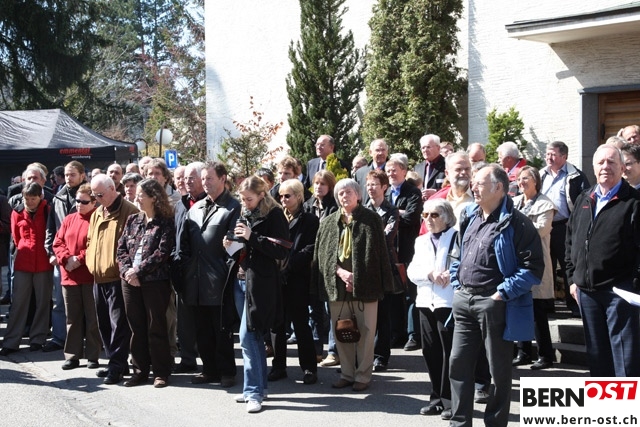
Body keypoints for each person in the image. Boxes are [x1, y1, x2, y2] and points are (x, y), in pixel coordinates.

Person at [448, 164, 543, 427]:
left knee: (498, 371)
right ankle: (459, 423)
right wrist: (457, 282)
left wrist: (502, 293)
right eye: (473, 183)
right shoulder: (469, 215)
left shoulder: (518, 223)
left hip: (494, 304)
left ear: (498, 187)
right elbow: (457, 254)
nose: (473, 188)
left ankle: (495, 423)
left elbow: (533, 269)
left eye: (480, 183)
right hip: (464, 300)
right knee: (458, 364)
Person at [311, 178, 393, 392]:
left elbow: (378, 256)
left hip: (366, 286)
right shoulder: (328, 222)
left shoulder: (371, 219)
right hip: (337, 286)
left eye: (349, 192)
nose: (344, 196)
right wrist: (340, 273)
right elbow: (322, 256)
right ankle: (347, 374)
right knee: (342, 331)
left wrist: (357, 279)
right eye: (340, 193)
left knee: (366, 331)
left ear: (358, 195)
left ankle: (363, 375)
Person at [565, 144, 640, 377]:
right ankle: (605, 402)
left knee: (625, 363)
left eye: (611, 162)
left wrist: (633, 285)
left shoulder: (634, 202)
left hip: (620, 293)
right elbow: (571, 241)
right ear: (593, 167)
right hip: (587, 293)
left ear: (622, 168)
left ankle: (628, 402)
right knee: (598, 361)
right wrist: (572, 279)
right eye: (601, 162)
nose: (605, 166)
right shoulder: (584, 198)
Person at [224, 176, 289, 413]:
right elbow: (245, 248)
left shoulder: (274, 215)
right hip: (241, 280)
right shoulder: (245, 213)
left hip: (261, 283)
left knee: (247, 337)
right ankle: (258, 388)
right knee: (254, 338)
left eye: (249, 199)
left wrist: (252, 236)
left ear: (262, 195)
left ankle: (253, 392)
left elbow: (281, 250)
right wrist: (231, 245)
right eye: (242, 199)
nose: (245, 203)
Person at [179, 161, 239, 387]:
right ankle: (209, 370)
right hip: (195, 279)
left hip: (219, 280)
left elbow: (235, 244)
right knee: (202, 329)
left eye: (209, 178)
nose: (205, 182)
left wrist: (225, 270)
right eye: (203, 178)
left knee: (221, 329)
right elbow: (185, 242)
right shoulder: (195, 208)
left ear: (223, 179)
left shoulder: (233, 207)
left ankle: (227, 372)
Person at [117, 179, 175, 388]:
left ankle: (161, 372)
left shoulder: (165, 221)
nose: (137, 197)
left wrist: (138, 271)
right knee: (136, 327)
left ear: (154, 197)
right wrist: (127, 271)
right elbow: (121, 249)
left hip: (154, 282)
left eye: (141, 194)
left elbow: (162, 252)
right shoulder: (133, 219)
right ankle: (140, 371)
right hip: (130, 281)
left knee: (155, 326)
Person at [86, 174, 139, 384]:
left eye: (100, 194)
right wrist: (90, 261)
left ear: (112, 189)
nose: (97, 199)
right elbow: (90, 241)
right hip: (98, 277)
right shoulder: (97, 212)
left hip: (118, 277)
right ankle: (115, 362)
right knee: (104, 324)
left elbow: (134, 246)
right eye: (94, 195)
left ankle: (116, 366)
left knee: (119, 325)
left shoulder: (129, 211)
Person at [408, 199, 459, 420]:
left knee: (449, 352)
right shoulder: (420, 241)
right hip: (425, 302)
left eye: (434, 215)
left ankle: (450, 401)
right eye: (425, 215)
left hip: (447, 302)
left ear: (446, 217)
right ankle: (436, 398)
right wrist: (429, 275)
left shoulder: (457, 236)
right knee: (430, 351)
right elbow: (412, 271)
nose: (428, 219)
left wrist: (450, 274)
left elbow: (462, 265)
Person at [267, 179, 318, 385]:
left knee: (301, 324)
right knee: (277, 325)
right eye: (280, 196)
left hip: (297, 278)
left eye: (287, 195)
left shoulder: (310, 220)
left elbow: (310, 248)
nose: (283, 199)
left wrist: (288, 266)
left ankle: (309, 368)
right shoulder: (276, 217)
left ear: (299, 196)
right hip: (276, 278)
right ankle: (279, 366)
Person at [0, 183, 54, 356]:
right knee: (18, 302)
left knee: (43, 302)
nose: (30, 202)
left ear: (40, 197)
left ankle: (38, 338)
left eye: (33, 199)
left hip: (43, 263)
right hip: (23, 262)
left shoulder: (48, 210)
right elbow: (16, 238)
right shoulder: (16, 212)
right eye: (27, 199)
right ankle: (11, 341)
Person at [512, 166, 556, 370]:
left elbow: (542, 229)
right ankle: (523, 353)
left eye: (525, 178)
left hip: (536, 261)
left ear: (536, 181)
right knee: (520, 308)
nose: (521, 182)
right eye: (519, 179)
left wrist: (516, 229)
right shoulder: (514, 202)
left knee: (538, 311)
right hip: (517, 262)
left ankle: (546, 355)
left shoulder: (545, 204)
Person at [52, 183, 101, 370]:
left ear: (94, 202)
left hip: (88, 275)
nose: (79, 204)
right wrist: (66, 258)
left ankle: (93, 355)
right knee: (72, 318)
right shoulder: (69, 219)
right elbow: (58, 242)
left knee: (92, 318)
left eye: (84, 201)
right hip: (69, 275)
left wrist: (79, 259)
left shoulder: (97, 219)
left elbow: (96, 245)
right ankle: (72, 355)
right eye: (77, 201)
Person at [539, 141, 590, 317]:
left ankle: (573, 304)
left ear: (564, 156)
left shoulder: (576, 176)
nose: (549, 158)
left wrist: (576, 223)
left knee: (568, 264)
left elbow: (585, 201)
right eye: (547, 154)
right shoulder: (541, 175)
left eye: (553, 154)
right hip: (545, 226)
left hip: (565, 226)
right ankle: (547, 304)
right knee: (546, 266)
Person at [44, 160, 87, 353]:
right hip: (62, 259)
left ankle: (90, 342)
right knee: (61, 302)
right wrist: (51, 252)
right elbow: (51, 229)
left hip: (84, 259)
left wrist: (79, 258)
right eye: (67, 175)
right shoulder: (58, 198)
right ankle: (59, 338)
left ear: (82, 175)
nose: (68, 178)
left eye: (72, 175)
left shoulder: (90, 196)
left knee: (88, 304)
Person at [386, 153, 423, 351]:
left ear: (404, 171)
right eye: (388, 170)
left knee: (410, 294)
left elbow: (411, 218)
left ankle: (413, 335)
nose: (391, 173)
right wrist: (399, 212)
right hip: (390, 250)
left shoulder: (412, 192)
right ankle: (395, 333)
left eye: (394, 170)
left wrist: (393, 213)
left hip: (407, 248)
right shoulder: (385, 191)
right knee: (393, 293)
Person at [172, 162, 206, 374]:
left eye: (191, 177)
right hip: (182, 270)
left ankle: (210, 361)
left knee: (204, 320)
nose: (187, 181)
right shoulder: (180, 205)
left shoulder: (210, 204)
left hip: (205, 271)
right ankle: (187, 359)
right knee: (184, 320)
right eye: (185, 178)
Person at [364, 169, 400, 372]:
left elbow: (387, 237)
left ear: (384, 187)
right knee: (366, 313)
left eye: (374, 184)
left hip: (384, 265)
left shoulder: (391, 210)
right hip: (365, 266)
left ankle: (381, 356)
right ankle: (366, 354)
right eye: (368, 184)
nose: (370, 188)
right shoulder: (362, 209)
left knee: (383, 313)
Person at [303, 170, 339, 366]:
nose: (318, 187)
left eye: (323, 184)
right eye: (316, 183)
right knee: (314, 308)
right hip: (311, 262)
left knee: (331, 308)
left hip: (329, 261)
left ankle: (334, 351)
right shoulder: (307, 205)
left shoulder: (335, 206)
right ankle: (316, 349)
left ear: (330, 186)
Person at [429, 152, 473, 221]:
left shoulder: (481, 197)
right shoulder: (435, 200)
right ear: (447, 174)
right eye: (458, 169)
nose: (464, 172)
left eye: (467, 169)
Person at [354, 139, 389, 204]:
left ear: (387, 152)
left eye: (383, 150)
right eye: (377, 150)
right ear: (370, 152)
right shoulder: (360, 173)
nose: (381, 153)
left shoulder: (393, 173)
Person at [414, 134, 446, 201]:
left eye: (428, 147)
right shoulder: (417, 168)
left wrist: (437, 192)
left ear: (438, 148)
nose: (425, 150)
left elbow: (453, 188)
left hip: (440, 204)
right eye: (423, 148)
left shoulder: (447, 165)